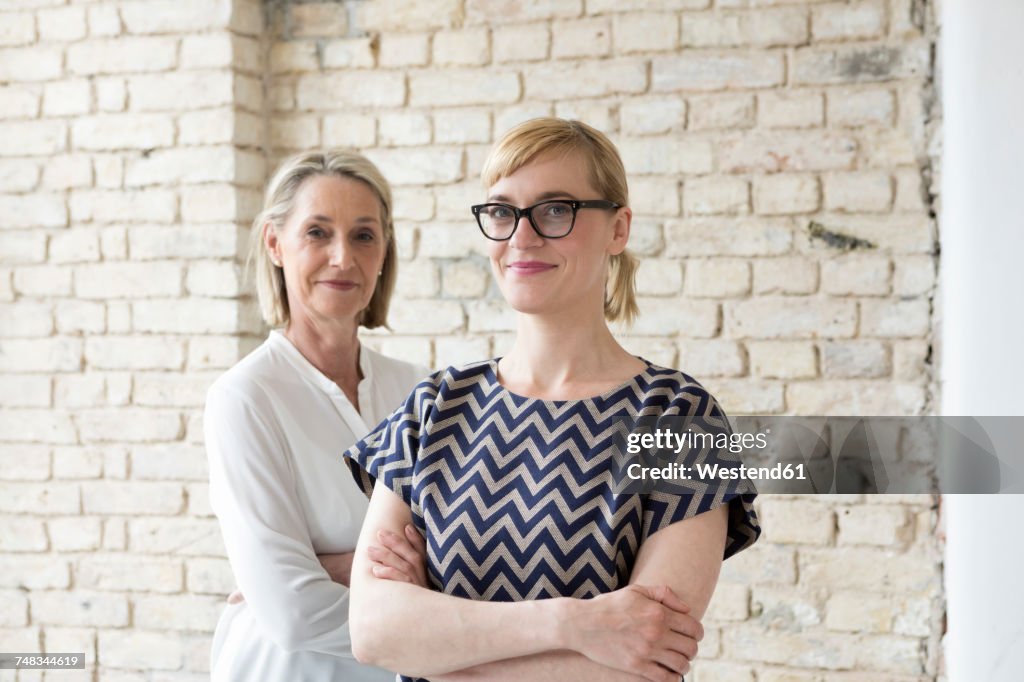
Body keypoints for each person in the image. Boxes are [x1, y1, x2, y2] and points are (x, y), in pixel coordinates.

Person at [343, 118, 761, 682]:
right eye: (501, 210)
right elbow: (374, 633)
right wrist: (575, 626)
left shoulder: (677, 417)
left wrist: (442, 646)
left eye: (556, 209)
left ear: (619, 229)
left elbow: (639, 668)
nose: (521, 235)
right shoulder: (435, 407)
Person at [204, 150, 429, 681]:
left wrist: (329, 568)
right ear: (275, 244)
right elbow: (292, 613)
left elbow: (467, 557)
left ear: (384, 252)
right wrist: (412, 585)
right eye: (318, 233)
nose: (343, 258)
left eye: (363, 235)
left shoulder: (419, 388)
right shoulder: (244, 398)